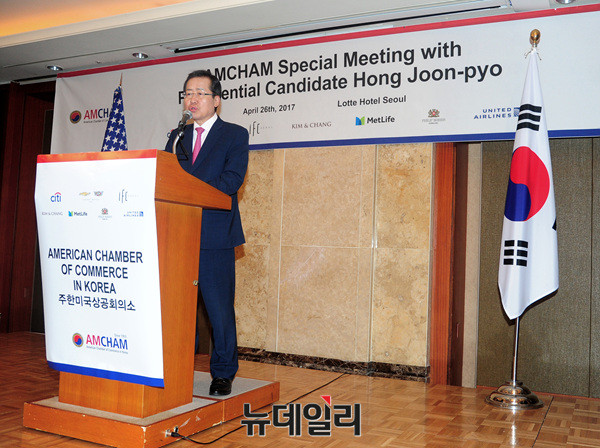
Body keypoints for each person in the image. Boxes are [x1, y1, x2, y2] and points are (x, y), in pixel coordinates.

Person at [165, 70, 249, 396]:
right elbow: (167, 179)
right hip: (178, 235)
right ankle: (176, 367)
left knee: (219, 310)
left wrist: (189, 189)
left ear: (216, 100)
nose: (193, 99)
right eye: (188, 93)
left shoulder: (234, 135)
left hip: (215, 236)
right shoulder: (177, 137)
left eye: (200, 93)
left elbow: (231, 180)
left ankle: (223, 372)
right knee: (179, 309)